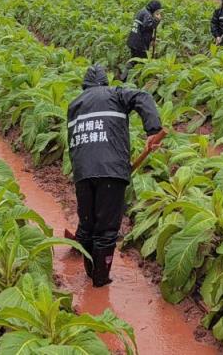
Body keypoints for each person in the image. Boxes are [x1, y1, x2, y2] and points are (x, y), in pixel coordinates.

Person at [68, 65, 163, 287]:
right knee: (107, 230)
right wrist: (152, 130)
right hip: (111, 172)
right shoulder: (116, 94)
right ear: (104, 83)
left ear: (85, 86)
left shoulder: (74, 105)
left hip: (82, 172)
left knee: (89, 225)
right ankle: (100, 282)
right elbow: (143, 96)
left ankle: (91, 275)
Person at [122, 0, 162, 80]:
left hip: (133, 41)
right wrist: (157, 20)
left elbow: (143, 30)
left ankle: (124, 77)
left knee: (134, 60)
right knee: (142, 62)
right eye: (157, 11)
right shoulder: (147, 14)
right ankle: (135, 79)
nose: (158, 13)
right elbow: (148, 26)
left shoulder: (142, 11)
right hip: (139, 44)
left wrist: (152, 38)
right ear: (154, 9)